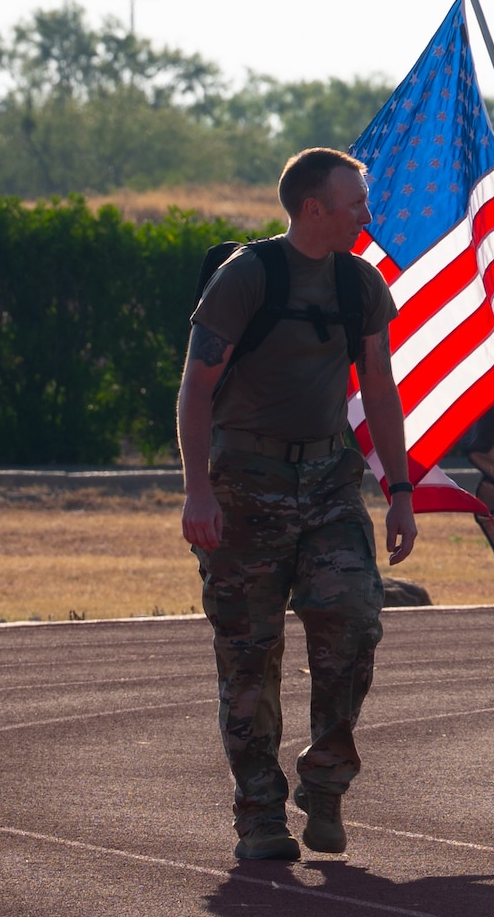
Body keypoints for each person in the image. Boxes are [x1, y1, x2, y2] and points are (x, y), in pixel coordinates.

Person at [178, 147, 417, 863]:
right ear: (315, 207)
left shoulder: (359, 283)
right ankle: (259, 813)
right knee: (249, 654)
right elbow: (194, 388)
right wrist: (196, 489)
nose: (367, 216)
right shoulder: (245, 277)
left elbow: (379, 386)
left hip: (329, 481)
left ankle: (325, 780)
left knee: (353, 623)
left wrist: (399, 492)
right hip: (243, 484)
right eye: (357, 203)